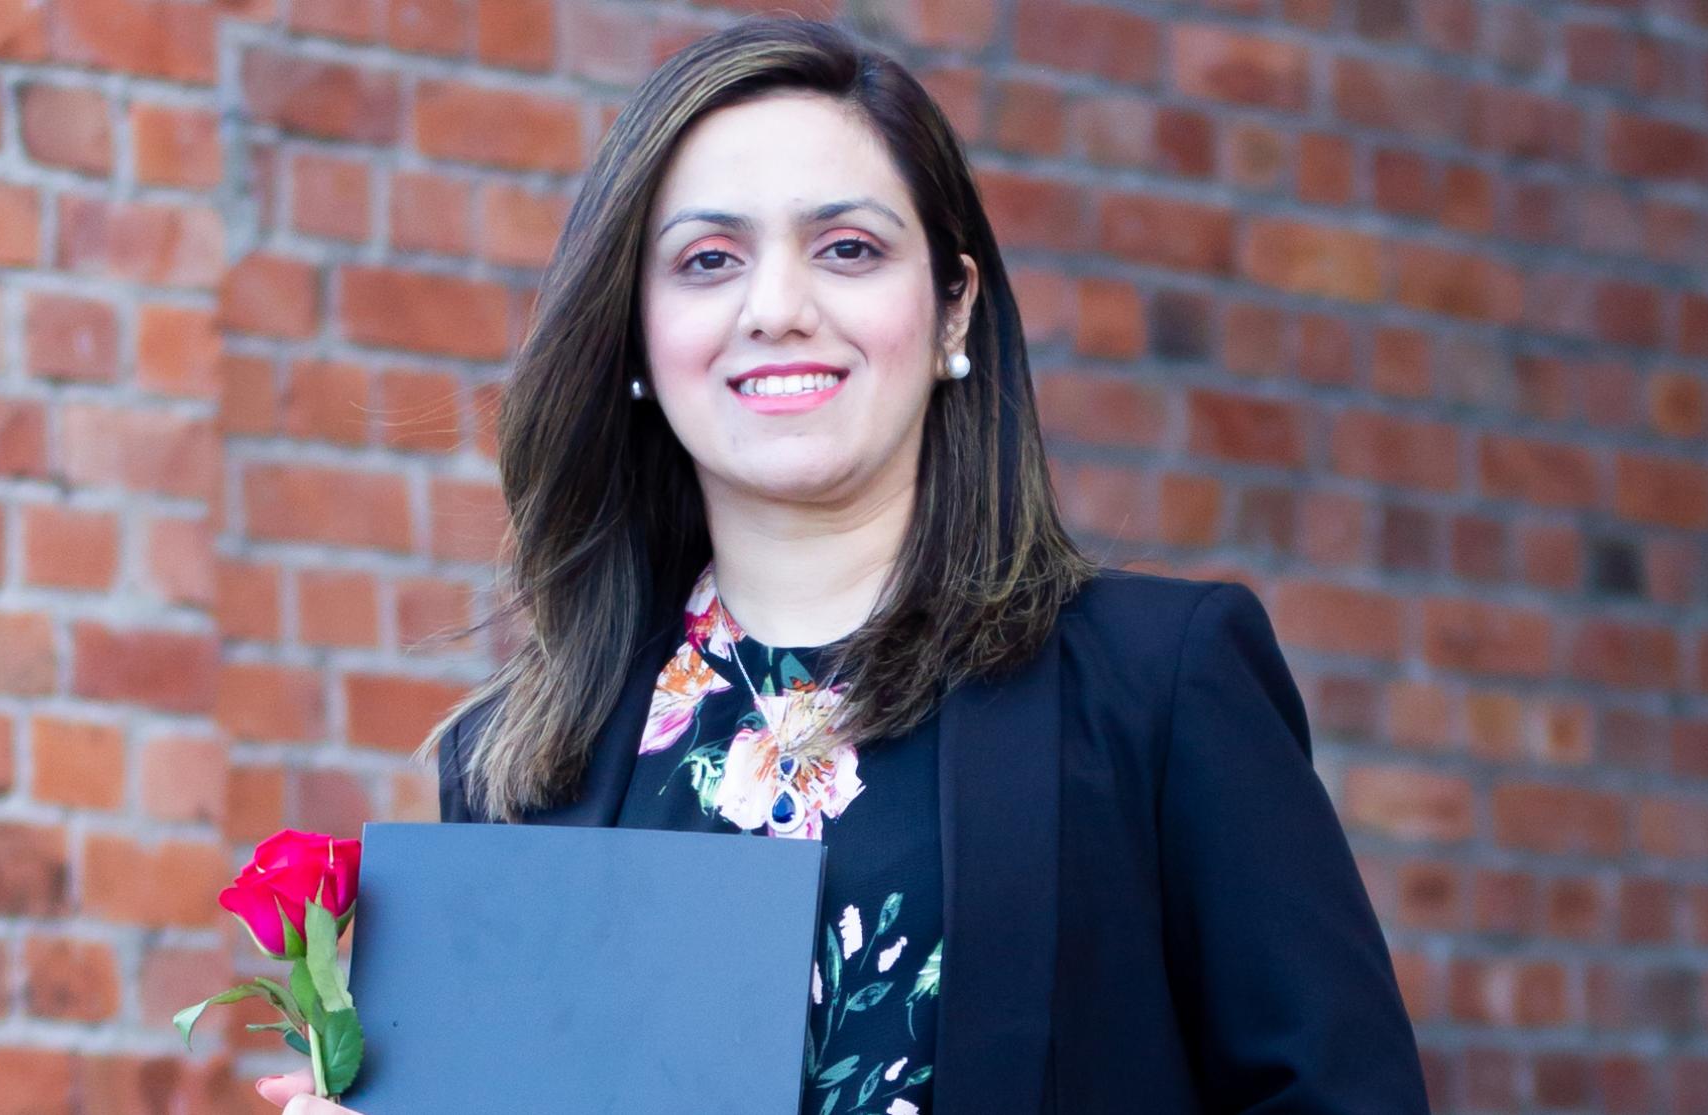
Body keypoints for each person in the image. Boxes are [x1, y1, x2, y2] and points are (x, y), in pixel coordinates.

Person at [256, 15, 1429, 1115]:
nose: (776, 306)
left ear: (953, 309)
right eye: (707, 260)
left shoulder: (1157, 687)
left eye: (848, 248)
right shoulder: (516, 767)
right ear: (635, 335)